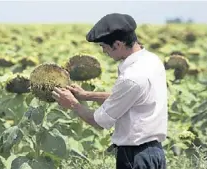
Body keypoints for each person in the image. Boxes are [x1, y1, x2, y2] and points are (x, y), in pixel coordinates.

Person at [52, 13, 168, 169]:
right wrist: (87, 96)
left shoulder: (132, 78)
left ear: (118, 44)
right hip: (153, 153)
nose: (104, 52)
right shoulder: (151, 60)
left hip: (135, 157)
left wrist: (73, 104)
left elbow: (99, 122)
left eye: (104, 47)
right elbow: (128, 99)